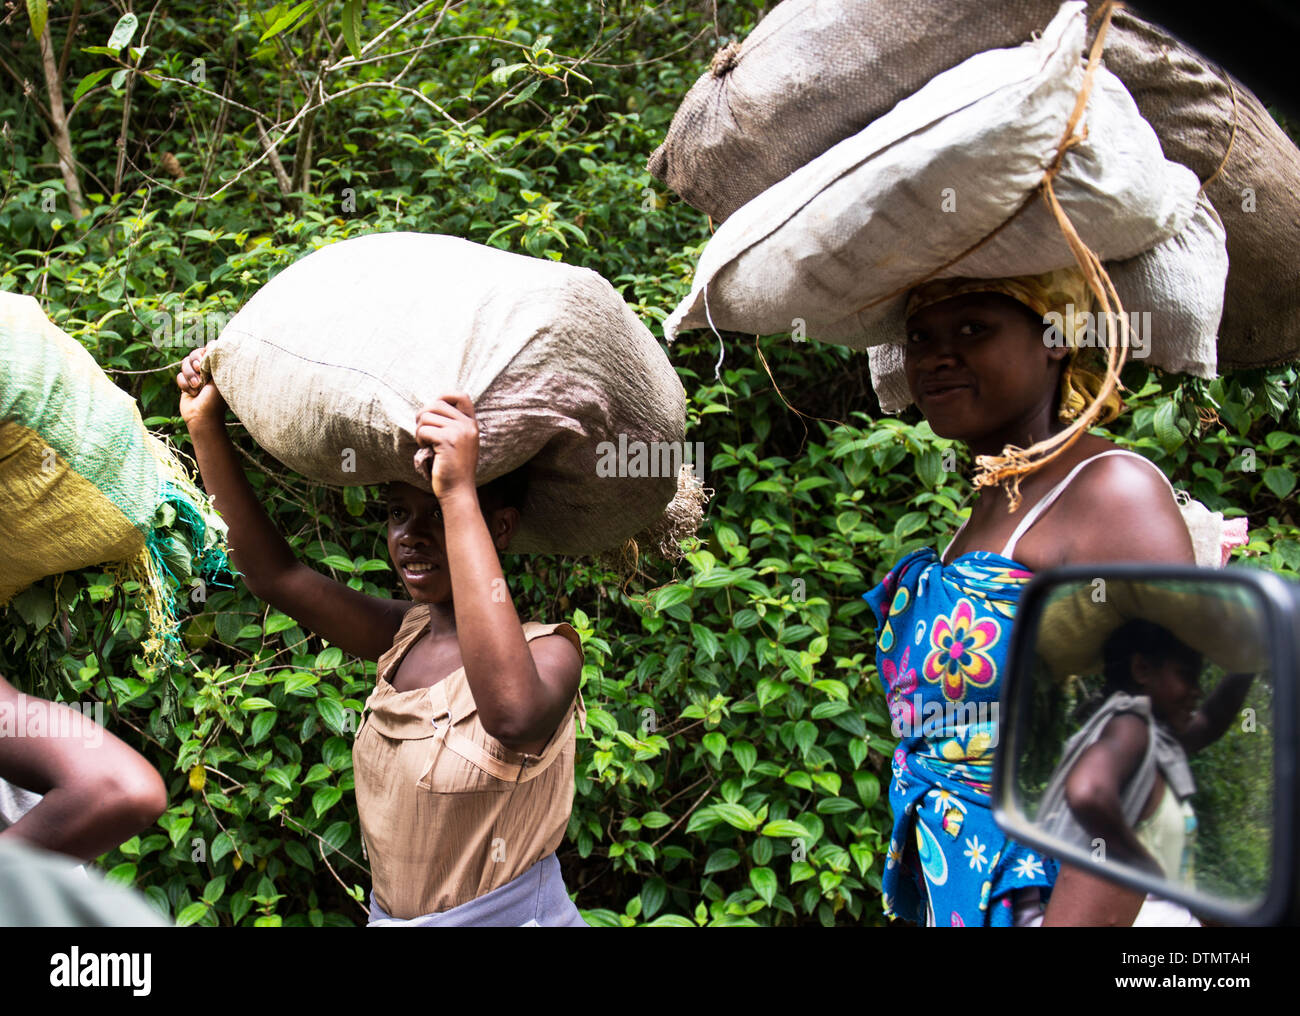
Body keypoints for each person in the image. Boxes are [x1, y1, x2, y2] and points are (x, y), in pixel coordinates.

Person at [177, 348, 587, 926]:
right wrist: (204, 426)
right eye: (398, 514)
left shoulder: (551, 653)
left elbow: (513, 716)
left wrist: (459, 490)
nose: (411, 536)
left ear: (497, 527)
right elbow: (276, 576)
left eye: (436, 515)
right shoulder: (404, 636)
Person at [863, 267, 1196, 927]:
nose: (937, 355)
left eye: (973, 329)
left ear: (1057, 339)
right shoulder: (987, 515)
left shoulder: (1110, 493)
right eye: (921, 337)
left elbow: (1143, 758)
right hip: (969, 893)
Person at [1037, 619, 1255, 924]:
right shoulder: (1131, 723)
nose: (1197, 691)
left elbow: (1209, 722)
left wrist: (1250, 662)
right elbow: (1087, 790)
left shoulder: (1152, 739)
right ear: (1142, 669)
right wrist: (1146, 867)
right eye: (1187, 675)